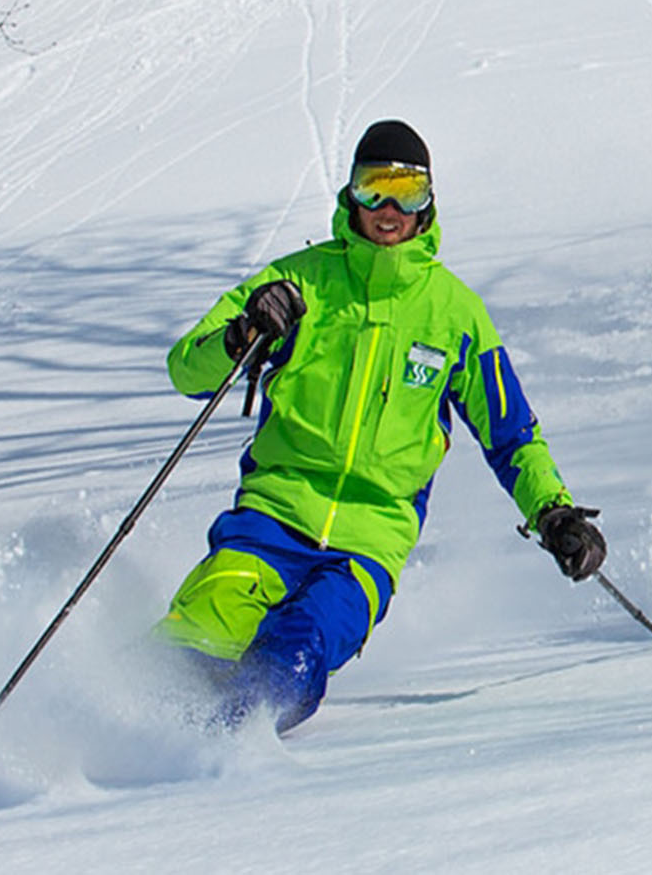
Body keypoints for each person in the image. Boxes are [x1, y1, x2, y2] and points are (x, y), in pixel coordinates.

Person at [154, 119, 606, 732]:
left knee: (299, 646)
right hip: (267, 522)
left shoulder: (455, 315)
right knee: (195, 636)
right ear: (351, 193)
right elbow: (188, 369)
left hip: (367, 548)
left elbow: (512, 435)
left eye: (407, 191)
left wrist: (554, 512)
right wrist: (242, 335)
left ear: (429, 202)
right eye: (375, 188)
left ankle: (217, 749)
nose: (389, 209)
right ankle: (122, 733)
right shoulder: (297, 286)